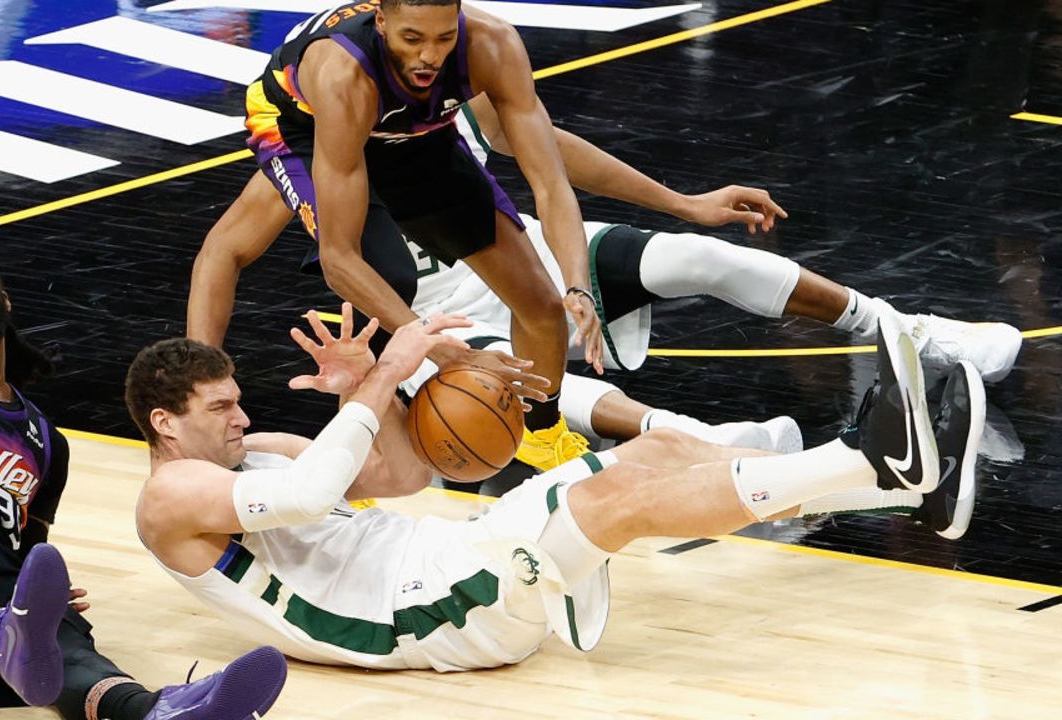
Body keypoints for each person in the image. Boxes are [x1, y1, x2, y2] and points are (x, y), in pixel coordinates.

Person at [127, 305, 984, 671]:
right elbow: (314, 498)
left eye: (239, 401)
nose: (241, 419)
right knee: (616, 502)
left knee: (658, 456)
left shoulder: (262, 453)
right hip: (414, 617)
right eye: (220, 408)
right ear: (167, 424)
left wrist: (365, 394)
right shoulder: (171, 499)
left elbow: (400, 474)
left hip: (440, 560)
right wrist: (386, 372)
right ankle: (873, 461)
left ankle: (905, 490)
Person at [188, 100, 1019, 464]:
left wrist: (682, 203)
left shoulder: (433, 108)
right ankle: (701, 442)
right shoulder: (296, 168)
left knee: (701, 257)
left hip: (521, 262)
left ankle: (910, 329)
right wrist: (197, 377)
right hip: (435, 321)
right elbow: (219, 253)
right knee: (525, 386)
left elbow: (550, 148)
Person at [0, 247, 288, 720]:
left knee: (60, 638)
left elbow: (26, 551)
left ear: (4, 302)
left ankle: (153, 711)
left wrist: (44, 596)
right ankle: (4, 633)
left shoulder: (47, 442)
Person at [236, 0, 611, 471]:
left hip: (410, 130)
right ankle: (359, 462)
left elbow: (550, 183)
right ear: (382, 22)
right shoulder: (343, 74)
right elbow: (338, 259)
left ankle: (541, 433)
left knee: (542, 306)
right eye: (412, 39)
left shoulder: (491, 44)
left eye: (443, 39)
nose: (430, 56)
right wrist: (436, 351)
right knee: (384, 276)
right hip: (304, 126)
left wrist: (576, 283)